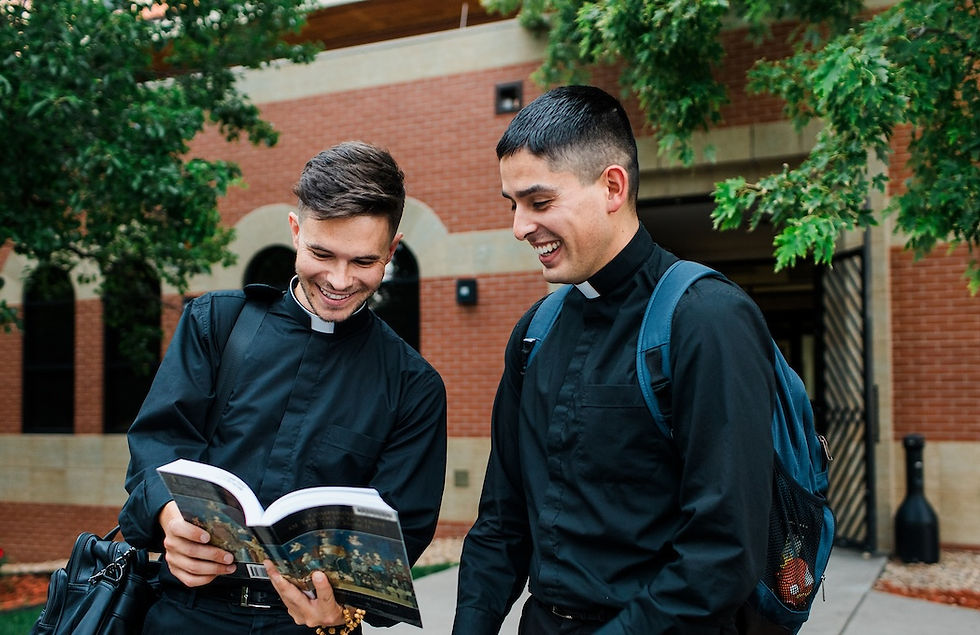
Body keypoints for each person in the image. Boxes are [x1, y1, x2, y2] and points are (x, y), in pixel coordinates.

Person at [452, 85, 776, 634]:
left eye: (539, 202)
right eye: (513, 205)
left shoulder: (707, 319)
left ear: (612, 186)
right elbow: (502, 520)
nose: (520, 227)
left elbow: (723, 552)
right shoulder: (535, 332)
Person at [120, 141, 447, 634]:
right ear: (296, 232)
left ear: (391, 251)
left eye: (364, 262)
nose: (339, 280)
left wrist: (343, 614)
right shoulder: (215, 324)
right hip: (187, 613)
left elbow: (405, 532)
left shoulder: (413, 386)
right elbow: (156, 445)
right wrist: (169, 519)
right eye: (321, 253)